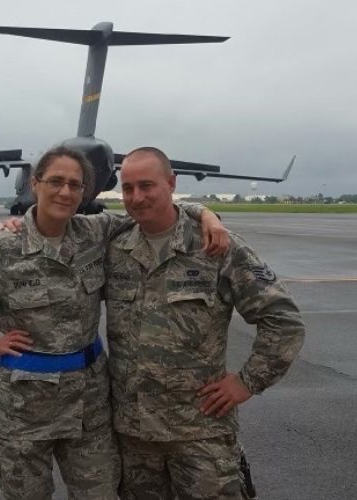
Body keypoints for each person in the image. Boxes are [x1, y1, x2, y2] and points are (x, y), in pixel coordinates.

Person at [0, 145, 227, 500]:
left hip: (88, 409)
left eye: (75, 185)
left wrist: (206, 214)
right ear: (35, 184)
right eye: (56, 181)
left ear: (84, 193)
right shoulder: (0, 248)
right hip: (23, 413)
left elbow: (154, 211)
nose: (65, 192)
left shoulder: (96, 232)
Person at [106, 147, 306, 499]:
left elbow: (283, 319)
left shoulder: (216, 246)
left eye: (147, 185)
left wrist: (246, 382)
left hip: (200, 431)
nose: (136, 197)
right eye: (127, 188)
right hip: (134, 436)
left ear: (171, 183)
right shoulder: (114, 246)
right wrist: (17, 224)